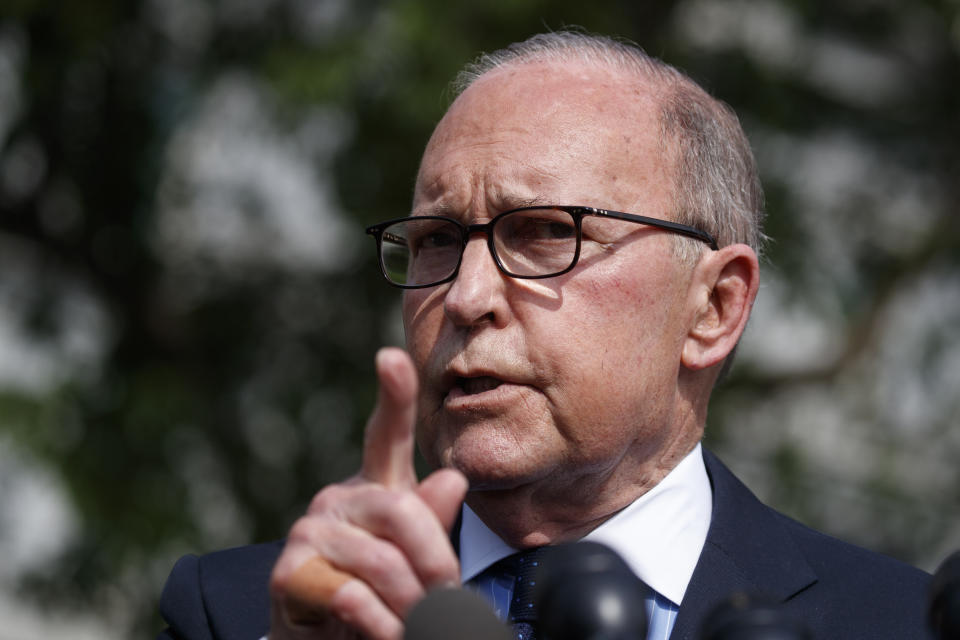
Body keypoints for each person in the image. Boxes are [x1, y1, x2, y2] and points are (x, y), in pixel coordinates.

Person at [157, 31, 933, 640]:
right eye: (433, 240)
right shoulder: (239, 615)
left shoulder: (903, 625)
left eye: (542, 233)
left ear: (714, 308)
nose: (465, 296)